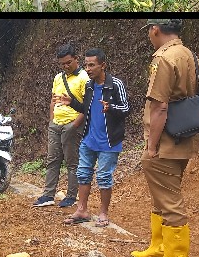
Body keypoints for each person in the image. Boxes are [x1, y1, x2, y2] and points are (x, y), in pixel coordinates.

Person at [132, 19, 199, 257]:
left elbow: (160, 106)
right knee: (162, 194)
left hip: (165, 139)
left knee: (169, 199)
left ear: (155, 29)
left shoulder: (163, 58)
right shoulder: (190, 56)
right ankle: (160, 246)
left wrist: (151, 145)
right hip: (185, 135)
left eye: (149, 32)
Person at [61, 48, 131, 228]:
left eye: (92, 65)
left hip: (108, 141)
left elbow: (126, 109)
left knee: (104, 177)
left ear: (103, 65)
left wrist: (111, 107)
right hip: (89, 139)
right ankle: (82, 209)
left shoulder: (115, 84)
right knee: (83, 174)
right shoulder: (89, 85)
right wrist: (72, 103)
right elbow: (87, 109)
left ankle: (103, 213)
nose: (88, 69)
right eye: (86, 65)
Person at [33, 45, 90, 209]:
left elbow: (87, 107)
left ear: (76, 59)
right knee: (52, 160)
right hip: (56, 124)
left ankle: (72, 196)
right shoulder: (58, 77)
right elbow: (53, 100)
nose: (65, 66)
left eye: (68, 63)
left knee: (72, 162)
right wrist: (51, 120)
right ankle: (48, 194)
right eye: (62, 64)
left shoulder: (84, 79)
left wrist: (75, 125)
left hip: (71, 124)